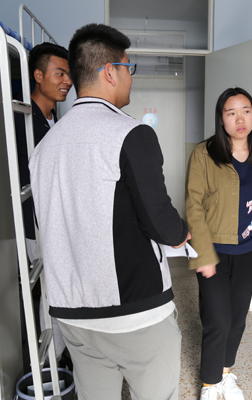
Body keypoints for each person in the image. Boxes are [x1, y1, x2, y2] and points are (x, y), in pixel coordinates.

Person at [29, 23, 190, 400]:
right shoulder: (131, 134)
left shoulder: (45, 147)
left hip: (73, 315)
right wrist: (183, 232)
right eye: (128, 68)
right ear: (110, 72)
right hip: (135, 313)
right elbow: (162, 224)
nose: (130, 77)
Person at [186, 87, 252, 400]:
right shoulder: (204, 153)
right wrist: (203, 254)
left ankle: (225, 375)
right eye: (231, 113)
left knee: (238, 319)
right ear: (221, 119)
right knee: (218, 320)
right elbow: (193, 206)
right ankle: (210, 384)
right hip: (213, 251)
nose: (240, 119)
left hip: (248, 251)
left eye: (246, 111)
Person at [14, 42, 73, 365]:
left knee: (60, 288)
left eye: (69, 74)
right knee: (53, 289)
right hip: (37, 222)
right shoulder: (24, 122)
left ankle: (60, 355)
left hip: (58, 220)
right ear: (38, 75)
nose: (67, 81)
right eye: (59, 73)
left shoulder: (54, 119)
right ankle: (52, 362)